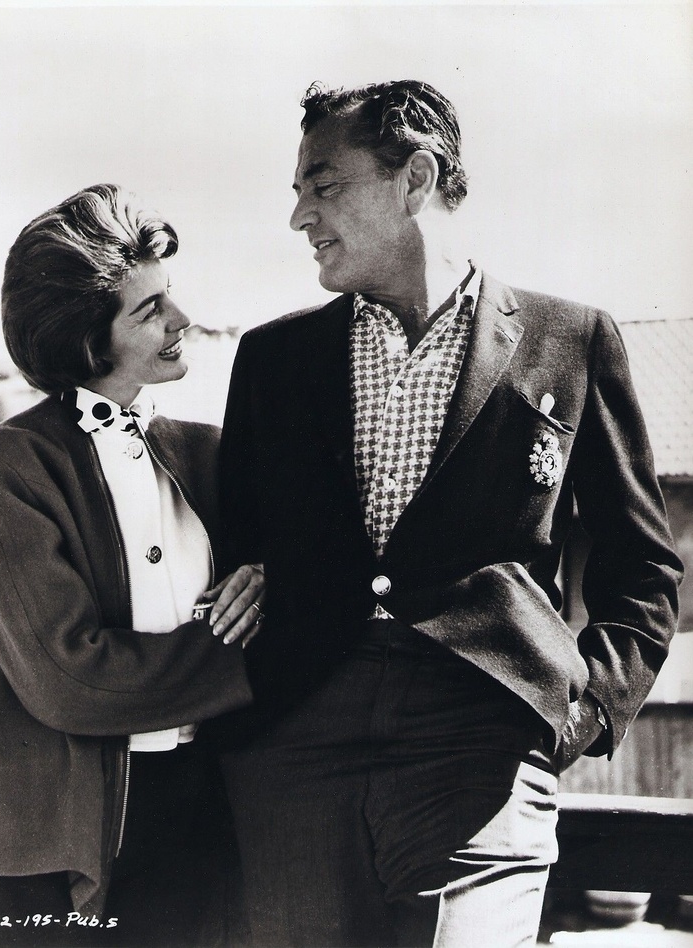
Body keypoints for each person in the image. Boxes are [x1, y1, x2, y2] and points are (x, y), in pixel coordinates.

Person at [217, 81, 684, 947]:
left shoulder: (571, 341)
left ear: (416, 179)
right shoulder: (272, 358)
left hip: (482, 739)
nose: (299, 217)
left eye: (324, 186)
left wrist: (584, 710)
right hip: (296, 748)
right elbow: (238, 546)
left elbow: (644, 564)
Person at [0, 183, 265, 947]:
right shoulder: (8, 467)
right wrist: (258, 657)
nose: (181, 319)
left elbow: (290, 577)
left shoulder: (212, 454)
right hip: (44, 838)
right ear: (89, 342)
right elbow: (70, 679)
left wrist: (269, 583)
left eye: (170, 295)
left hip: (194, 818)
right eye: (149, 309)